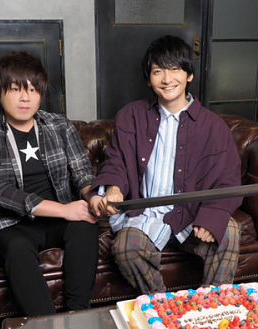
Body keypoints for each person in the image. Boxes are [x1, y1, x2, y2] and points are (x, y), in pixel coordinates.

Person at [89, 35, 242, 295]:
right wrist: (113, 188)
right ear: (149, 79)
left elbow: (228, 179)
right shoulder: (130, 115)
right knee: (126, 247)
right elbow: (115, 160)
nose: (167, 79)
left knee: (228, 231)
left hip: (191, 213)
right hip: (145, 215)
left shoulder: (214, 127)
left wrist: (213, 214)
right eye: (158, 71)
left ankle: (211, 305)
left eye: (175, 69)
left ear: (189, 75)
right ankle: (162, 305)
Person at [0, 51, 99, 316]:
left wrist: (93, 196)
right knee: (17, 248)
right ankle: (47, 325)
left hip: (60, 217)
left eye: (32, 89)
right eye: (16, 89)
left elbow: (83, 173)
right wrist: (64, 210)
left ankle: (78, 316)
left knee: (85, 227)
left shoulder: (60, 125)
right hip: (13, 224)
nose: (25, 98)